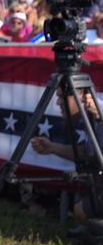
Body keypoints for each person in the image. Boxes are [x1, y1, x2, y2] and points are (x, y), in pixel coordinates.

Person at [32, 89, 103, 221]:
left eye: (62, 97)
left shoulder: (98, 110)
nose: (58, 102)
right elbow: (89, 153)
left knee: (81, 212)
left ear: (80, 96)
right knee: (80, 210)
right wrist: (52, 148)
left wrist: (100, 115)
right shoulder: (89, 117)